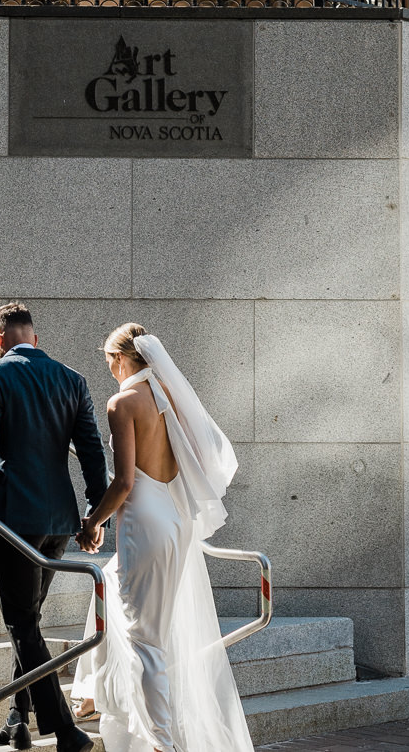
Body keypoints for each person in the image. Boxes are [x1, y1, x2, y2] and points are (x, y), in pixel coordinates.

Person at [72, 322, 255, 752]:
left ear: (119, 358)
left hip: (145, 521)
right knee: (109, 590)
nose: (110, 371)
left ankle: (162, 742)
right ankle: (91, 691)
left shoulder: (123, 403)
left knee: (146, 636)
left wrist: (92, 522)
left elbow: (123, 483)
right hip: (175, 518)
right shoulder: (168, 395)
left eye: (108, 362)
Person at [0, 301, 109, 752]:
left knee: (21, 624)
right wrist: (93, 515)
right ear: (35, 337)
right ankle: (17, 718)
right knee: (28, 619)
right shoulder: (72, 380)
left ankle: (65, 730)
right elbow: (92, 454)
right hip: (58, 522)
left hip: (13, 520)